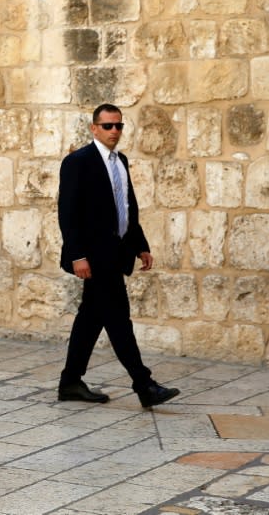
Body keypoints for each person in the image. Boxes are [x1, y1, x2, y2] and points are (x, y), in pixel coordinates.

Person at [57, 103, 180, 408]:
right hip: (94, 258)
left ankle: (71, 382)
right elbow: (67, 213)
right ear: (94, 128)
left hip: (116, 254)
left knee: (90, 319)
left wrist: (141, 245)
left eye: (119, 126)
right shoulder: (77, 162)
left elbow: (126, 207)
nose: (114, 131)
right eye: (108, 126)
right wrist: (77, 255)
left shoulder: (120, 160)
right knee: (118, 319)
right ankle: (144, 384)